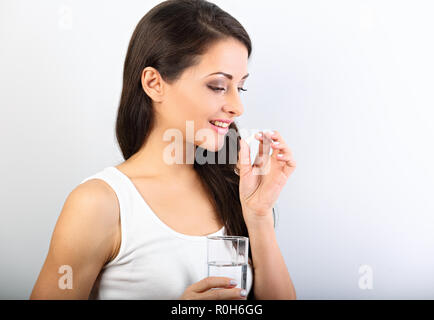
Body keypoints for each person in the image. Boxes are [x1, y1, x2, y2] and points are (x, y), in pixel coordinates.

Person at [30, 0, 297, 300]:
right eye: (218, 86)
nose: (237, 107)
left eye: (241, 88)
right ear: (155, 83)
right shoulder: (99, 204)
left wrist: (259, 216)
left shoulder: (234, 188)